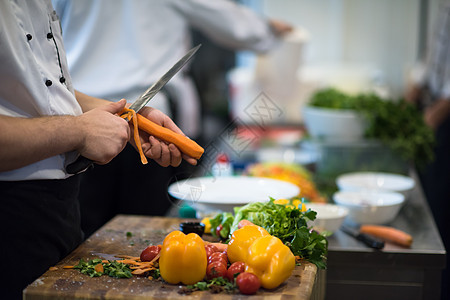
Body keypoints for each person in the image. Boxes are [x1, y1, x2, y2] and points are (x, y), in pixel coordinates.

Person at [0, 1, 197, 298]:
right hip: (10, 219)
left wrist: (130, 116)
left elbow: (43, 89)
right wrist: (79, 131)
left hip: (59, 206)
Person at [52, 0, 293, 236]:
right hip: (135, 124)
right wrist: (266, 29)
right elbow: (226, 18)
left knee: (92, 230)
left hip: (88, 113)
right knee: (146, 229)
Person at [405, 2, 450, 299]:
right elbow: (438, 48)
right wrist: (415, 88)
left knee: (442, 210)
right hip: (433, 106)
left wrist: (433, 117)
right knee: (430, 200)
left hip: (444, 116)